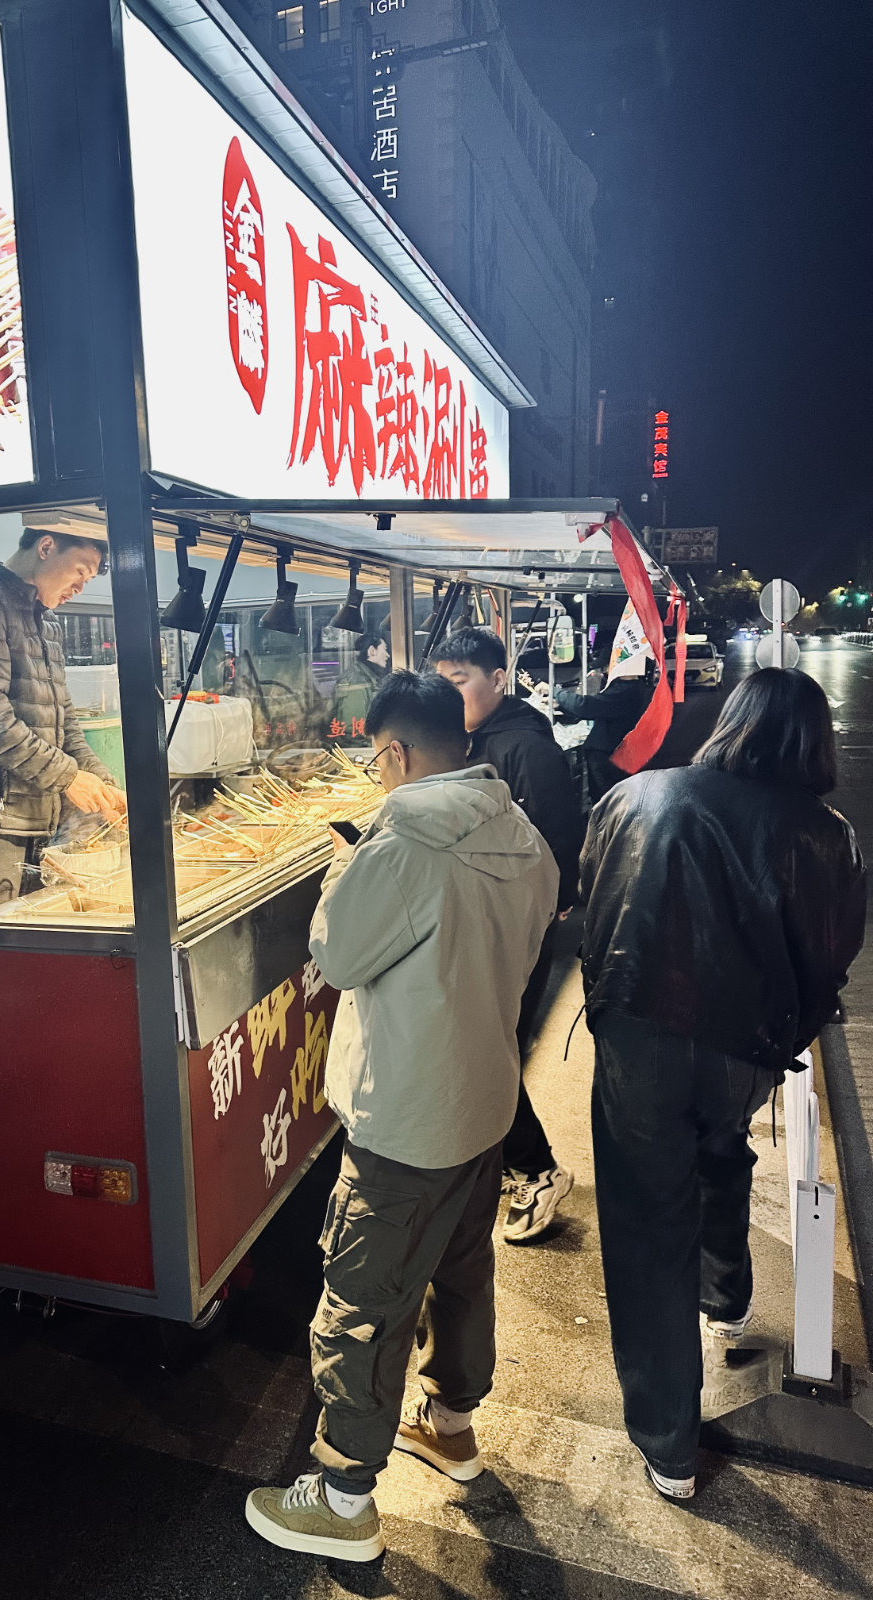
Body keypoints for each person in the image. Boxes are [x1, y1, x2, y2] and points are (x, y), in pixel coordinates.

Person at [245, 671, 558, 1561]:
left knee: (363, 1298)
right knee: (461, 1274)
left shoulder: (406, 836)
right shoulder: (519, 829)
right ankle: (451, 1426)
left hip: (408, 1115)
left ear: (393, 751)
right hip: (482, 1100)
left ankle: (343, 1501)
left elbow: (339, 954)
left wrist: (349, 861)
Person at [579, 668, 866, 1503]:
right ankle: (728, 1295)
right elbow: (831, 954)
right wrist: (787, 1033)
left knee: (643, 1219)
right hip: (746, 1049)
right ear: (813, 741)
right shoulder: (828, 834)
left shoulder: (641, 796)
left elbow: (591, 893)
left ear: (730, 721)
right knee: (721, 1145)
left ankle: (669, 1443)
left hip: (639, 1031)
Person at [433, 627, 581, 1242]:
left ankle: (538, 1170)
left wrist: (545, 914)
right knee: (490, 1046)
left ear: (498, 680)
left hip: (518, 929)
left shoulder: (524, 749)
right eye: (442, 683)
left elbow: (552, 847)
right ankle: (508, 1162)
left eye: (460, 681)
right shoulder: (471, 740)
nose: (451, 694)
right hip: (487, 923)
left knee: (493, 1050)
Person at [0, 525, 127, 915]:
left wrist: (104, 786)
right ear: (47, 546)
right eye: (79, 572)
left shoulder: (47, 620)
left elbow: (64, 723)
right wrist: (69, 778)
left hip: (35, 819)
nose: (80, 588)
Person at [547, 661, 651, 802]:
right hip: (616, 758)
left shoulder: (628, 691)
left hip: (609, 761)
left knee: (606, 804)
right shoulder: (637, 689)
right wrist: (561, 705)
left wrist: (554, 692)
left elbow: (586, 707)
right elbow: (596, 709)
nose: (607, 670)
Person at [328, 631, 389, 741]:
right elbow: (352, 730)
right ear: (372, 651)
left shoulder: (368, 677)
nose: (387, 655)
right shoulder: (356, 681)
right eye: (384, 649)